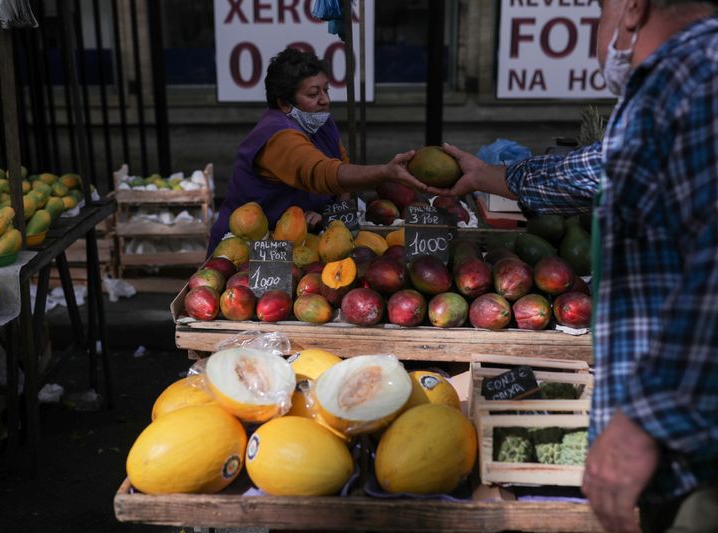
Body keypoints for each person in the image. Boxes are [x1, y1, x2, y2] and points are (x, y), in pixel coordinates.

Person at [446, 1, 718, 531]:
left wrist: (642, 422)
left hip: (699, 453)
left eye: (599, 9)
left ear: (632, 8)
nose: (598, 26)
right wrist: (487, 176)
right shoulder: (684, 79)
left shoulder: (695, 75)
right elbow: (597, 169)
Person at [208, 47, 448, 253]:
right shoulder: (278, 136)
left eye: (326, 90)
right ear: (284, 103)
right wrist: (386, 172)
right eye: (313, 94)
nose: (325, 100)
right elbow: (326, 173)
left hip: (302, 243)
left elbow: (341, 170)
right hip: (248, 250)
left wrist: (331, 212)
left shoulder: (320, 121)